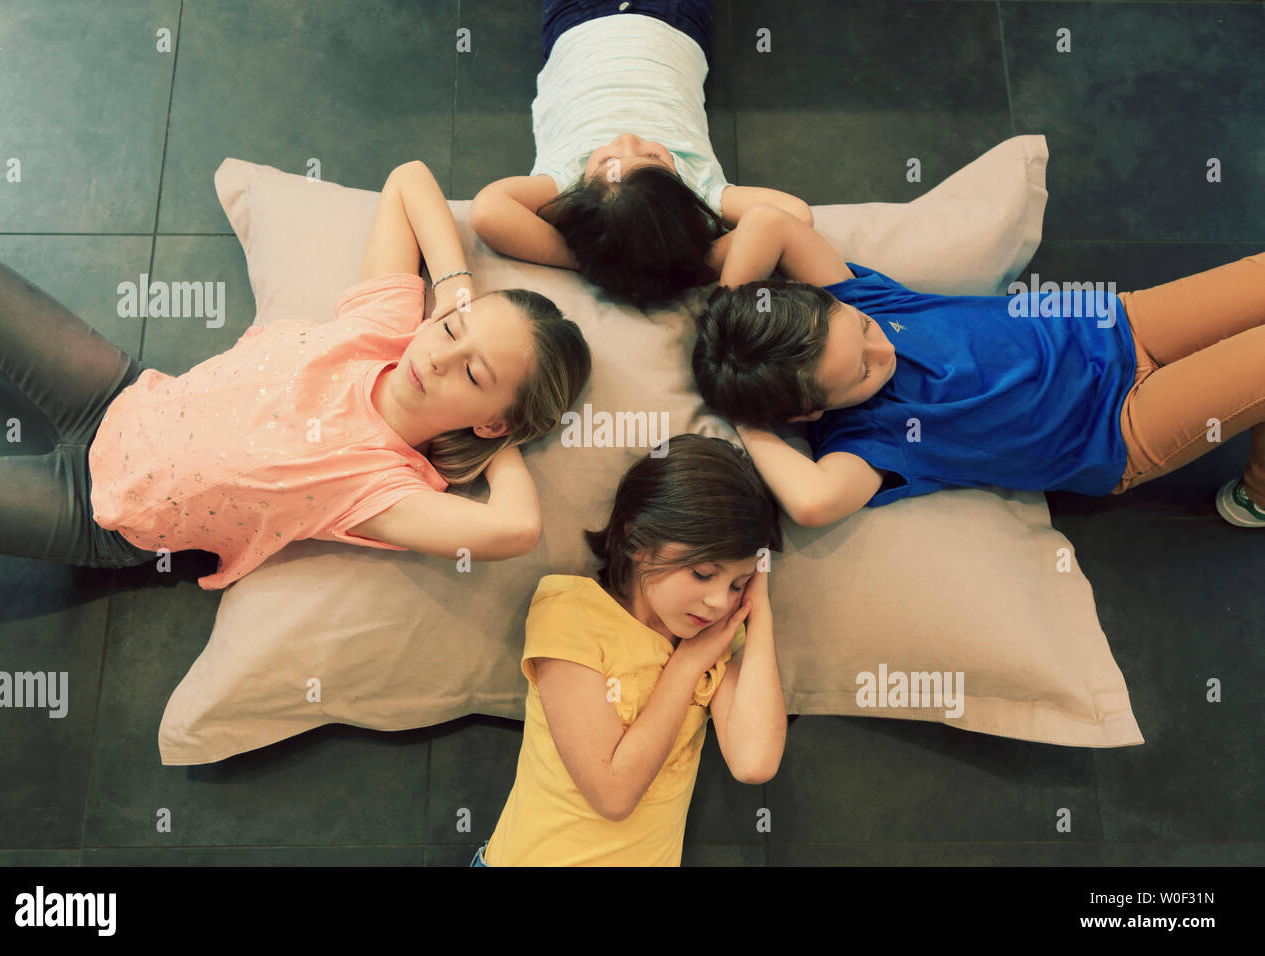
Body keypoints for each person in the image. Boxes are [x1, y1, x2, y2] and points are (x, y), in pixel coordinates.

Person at [0, 160, 591, 589]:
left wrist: (496, 442)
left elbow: (517, 528)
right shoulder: (385, 327)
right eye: (450, 332)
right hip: (117, 391)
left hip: (97, 511)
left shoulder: (382, 489)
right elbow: (408, 180)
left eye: (473, 374)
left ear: (492, 417)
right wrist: (456, 288)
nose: (436, 357)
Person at [691, 204, 1265, 529]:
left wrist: (728, 313)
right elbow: (813, 504)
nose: (882, 352)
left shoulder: (863, 301)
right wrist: (748, 416)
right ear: (812, 411)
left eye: (862, 333)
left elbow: (771, 223)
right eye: (862, 374)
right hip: (1123, 427)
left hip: (1120, 324)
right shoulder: (869, 439)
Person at [472, 434, 787, 866]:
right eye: (702, 573)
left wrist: (760, 609)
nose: (718, 602)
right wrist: (687, 663)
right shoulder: (571, 610)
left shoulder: (717, 639)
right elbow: (612, 793)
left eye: (737, 584)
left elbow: (755, 763)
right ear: (635, 538)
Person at [469, 0, 813, 310]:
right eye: (654, 158)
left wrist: (590, 260)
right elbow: (794, 215)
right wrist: (684, 260)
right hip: (675, 18)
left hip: (579, 17)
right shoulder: (697, 194)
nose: (627, 138)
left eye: (606, 161)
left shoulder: (570, 184)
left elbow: (487, 210)